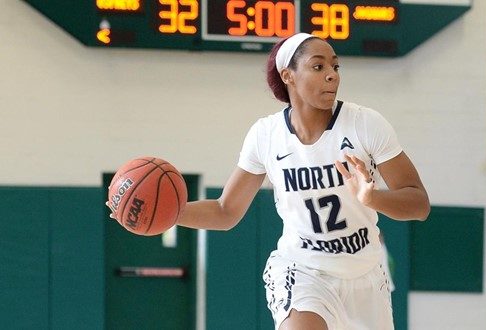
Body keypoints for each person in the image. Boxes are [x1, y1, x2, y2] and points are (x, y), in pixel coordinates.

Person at [121, 33, 429, 329]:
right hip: (303, 269)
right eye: (318, 66)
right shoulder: (266, 136)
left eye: (335, 66)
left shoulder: (365, 124)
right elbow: (226, 211)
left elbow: (418, 204)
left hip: (365, 276)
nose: (332, 75)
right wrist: (166, 212)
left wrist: (372, 199)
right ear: (288, 75)